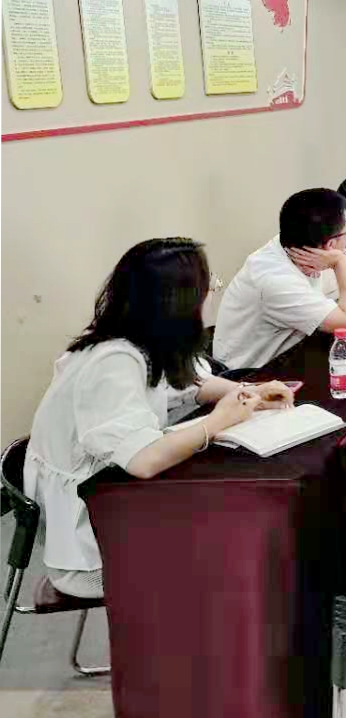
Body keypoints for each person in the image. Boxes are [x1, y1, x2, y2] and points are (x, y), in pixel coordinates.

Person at [24, 239, 294, 598]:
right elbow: (145, 461)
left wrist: (247, 392)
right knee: (240, 543)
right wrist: (217, 422)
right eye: (208, 286)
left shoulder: (141, 338)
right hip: (92, 544)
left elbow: (188, 385)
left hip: (115, 497)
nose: (211, 294)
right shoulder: (113, 362)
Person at [213, 188, 346, 369]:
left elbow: (345, 294)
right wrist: (340, 262)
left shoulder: (303, 244)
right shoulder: (276, 280)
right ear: (330, 245)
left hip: (293, 357)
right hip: (251, 376)